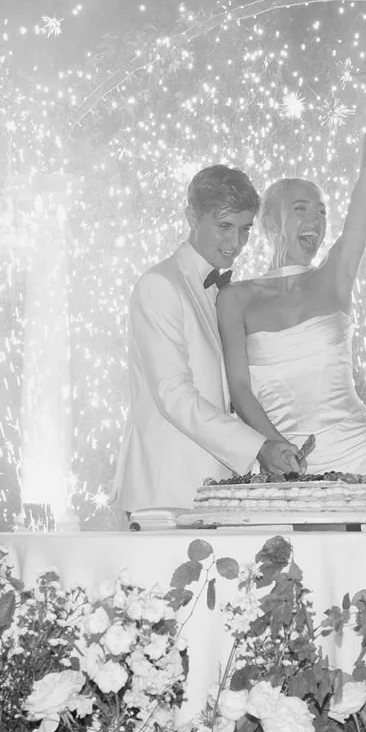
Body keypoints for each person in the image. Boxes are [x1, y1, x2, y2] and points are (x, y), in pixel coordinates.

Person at [217, 61, 366, 476]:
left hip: (359, 453)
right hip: (285, 460)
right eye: (300, 210)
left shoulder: (335, 276)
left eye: (321, 212)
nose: (315, 220)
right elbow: (239, 390)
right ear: (271, 222)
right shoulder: (235, 298)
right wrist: (273, 448)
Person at [116, 165, 305, 523]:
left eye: (245, 230)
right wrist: (258, 447)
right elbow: (173, 393)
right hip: (166, 494)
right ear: (192, 216)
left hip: (213, 492)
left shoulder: (223, 292)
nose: (235, 244)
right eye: (224, 227)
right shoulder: (159, 285)